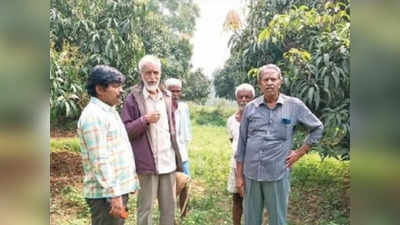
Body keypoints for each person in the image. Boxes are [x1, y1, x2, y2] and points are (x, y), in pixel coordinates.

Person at [235, 64, 324, 225]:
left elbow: (317, 127)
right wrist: (239, 177)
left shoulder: (294, 105)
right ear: (259, 84)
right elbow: (241, 144)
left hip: (277, 174)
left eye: (273, 79)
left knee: (277, 219)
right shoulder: (250, 108)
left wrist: (299, 152)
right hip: (251, 174)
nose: (269, 83)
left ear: (280, 81)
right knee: (251, 220)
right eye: (265, 79)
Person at [120, 55, 183, 225]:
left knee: (169, 208)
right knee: (145, 208)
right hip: (146, 165)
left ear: (160, 73)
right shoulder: (133, 98)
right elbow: (125, 130)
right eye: (148, 73)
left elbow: (173, 130)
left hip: (167, 162)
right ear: (141, 74)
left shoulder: (168, 96)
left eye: (156, 72)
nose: (152, 77)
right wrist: (144, 120)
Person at [77, 65, 139, 225]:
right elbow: (100, 160)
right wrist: (114, 195)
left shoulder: (109, 111)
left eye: (121, 86)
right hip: (106, 196)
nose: (121, 91)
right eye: (116, 86)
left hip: (115, 191)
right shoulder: (93, 116)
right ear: (99, 89)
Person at [226, 83, 255, 225]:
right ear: (236, 99)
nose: (244, 100)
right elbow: (232, 141)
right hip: (236, 165)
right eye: (241, 97)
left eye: (248, 97)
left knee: (254, 201)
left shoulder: (258, 118)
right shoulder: (231, 120)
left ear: (253, 99)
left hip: (254, 166)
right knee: (237, 199)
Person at [165, 77, 192, 217]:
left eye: (178, 91)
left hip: (182, 152)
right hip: (166, 155)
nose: (175, 94)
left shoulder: (183, 107)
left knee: (185, 182)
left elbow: (186, 132)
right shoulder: (161, 107)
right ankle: (170, 215)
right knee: (169, 187)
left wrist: (182, 152)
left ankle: (184, 213)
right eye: (172, 91)